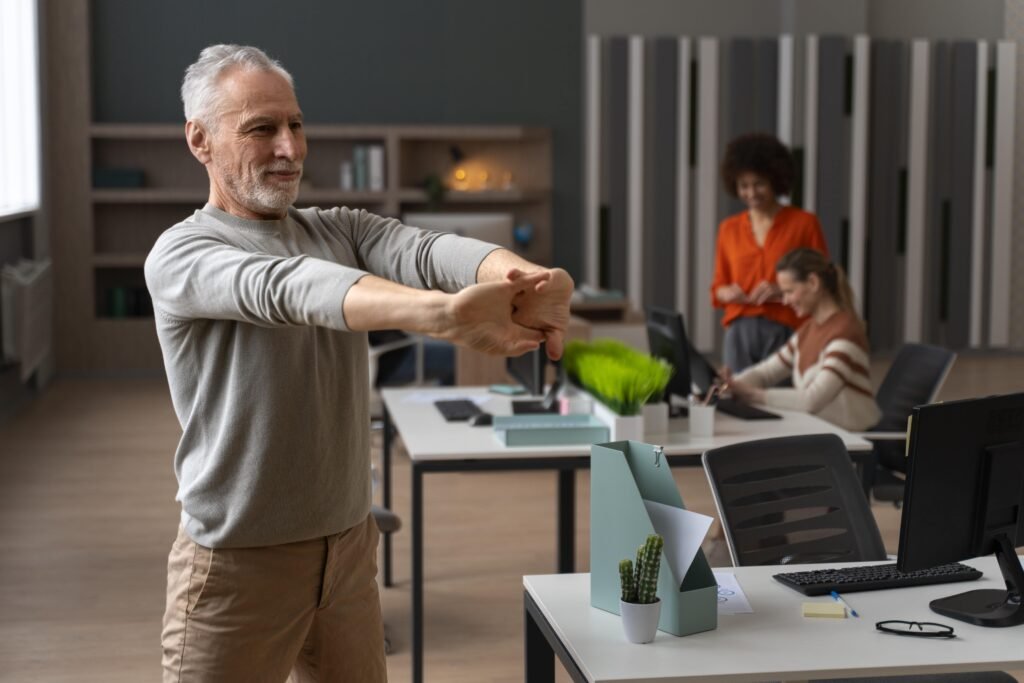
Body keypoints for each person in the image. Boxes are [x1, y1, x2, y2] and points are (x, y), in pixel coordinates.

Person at [144, 44, 573, 683]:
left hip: (348, 548)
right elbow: (285, 286)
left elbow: (425, 249)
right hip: (237, 565)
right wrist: (439, 316)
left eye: (295, 125)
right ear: (200, 140)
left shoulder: (337, 228)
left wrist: (520, 278)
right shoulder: (182, 253)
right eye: (261, 129)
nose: (289, 148)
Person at [723, 248, 880, 432]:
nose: (785, 301)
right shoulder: (807, 330)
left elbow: (811, 400)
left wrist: (752, 395)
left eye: (789, 292)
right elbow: (766, 372)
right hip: (823, 432)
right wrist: (732, 384)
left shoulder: (845, 333)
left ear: (813, 283)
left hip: (853, 443)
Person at [710, 132, 829, 372]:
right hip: (739, 334)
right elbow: (717, 288)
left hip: (787, 331)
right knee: (739, 402)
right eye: (744, 186)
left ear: (775, 180)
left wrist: (783, 290)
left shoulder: (804, 224)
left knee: (778, 401)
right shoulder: (728, 229)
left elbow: (824, 281)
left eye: (759, 184)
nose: (751, 193)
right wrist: (727, 292)